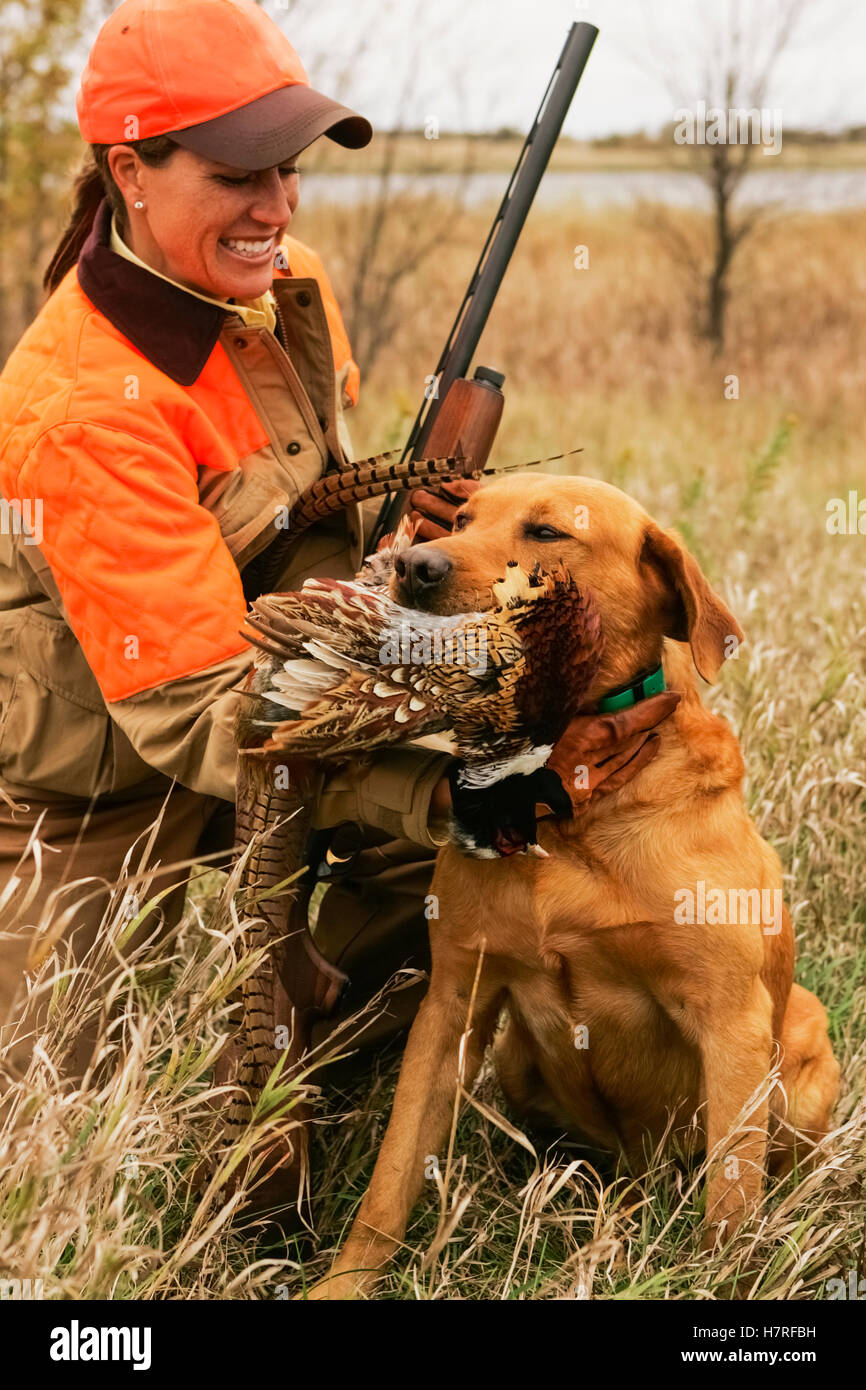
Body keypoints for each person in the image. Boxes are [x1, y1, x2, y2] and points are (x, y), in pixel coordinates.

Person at [0, 0, 674, 1079]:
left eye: (291, 167)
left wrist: (411, 544)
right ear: (129, 172)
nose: (276, 205)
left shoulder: (282, 283)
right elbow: (203, 716)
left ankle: (336, 1036)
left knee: (475, 807)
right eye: (238, 173)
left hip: (276, 672)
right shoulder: (80, 410)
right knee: (49, 1114)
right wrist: (437, 793)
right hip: (109, 771)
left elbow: (302, 503)